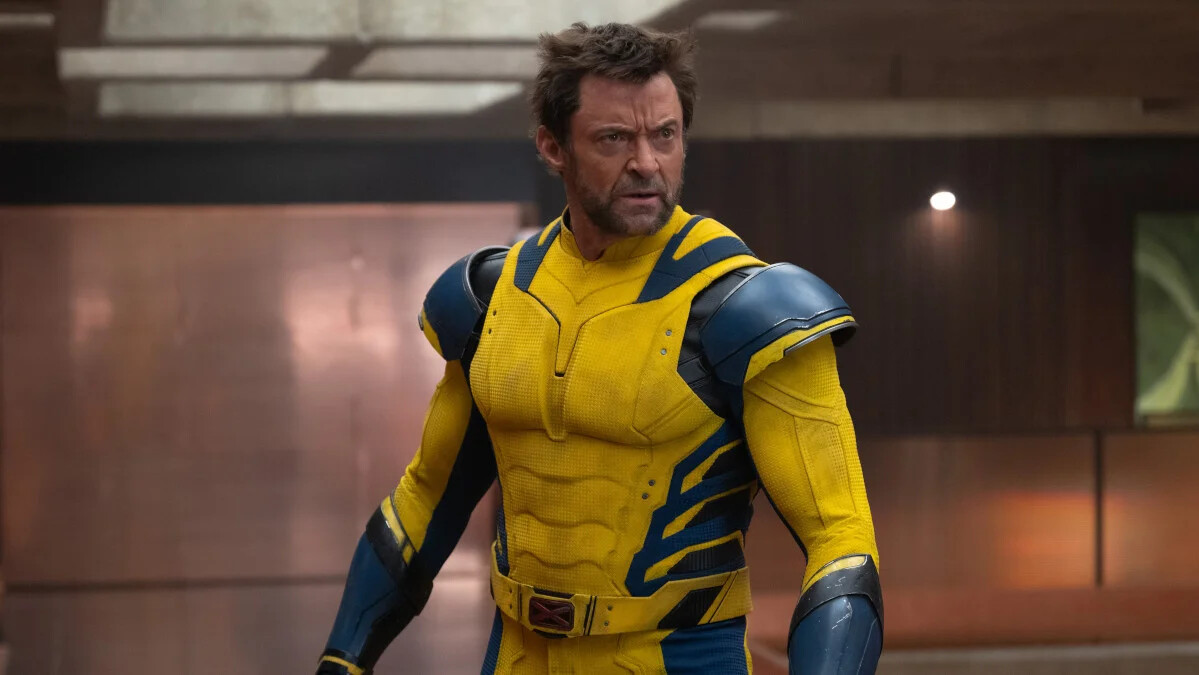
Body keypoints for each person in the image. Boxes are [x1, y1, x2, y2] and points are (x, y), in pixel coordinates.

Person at [316, 22, 881, 675]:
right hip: (518, 654)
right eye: (614, 138)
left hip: (678, 657)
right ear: (552, 146)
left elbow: (842, 543)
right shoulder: (493, 299)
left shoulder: (743, 309)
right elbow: (424, 500)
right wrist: (342, 660)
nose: (647, 162)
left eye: (665, 135)